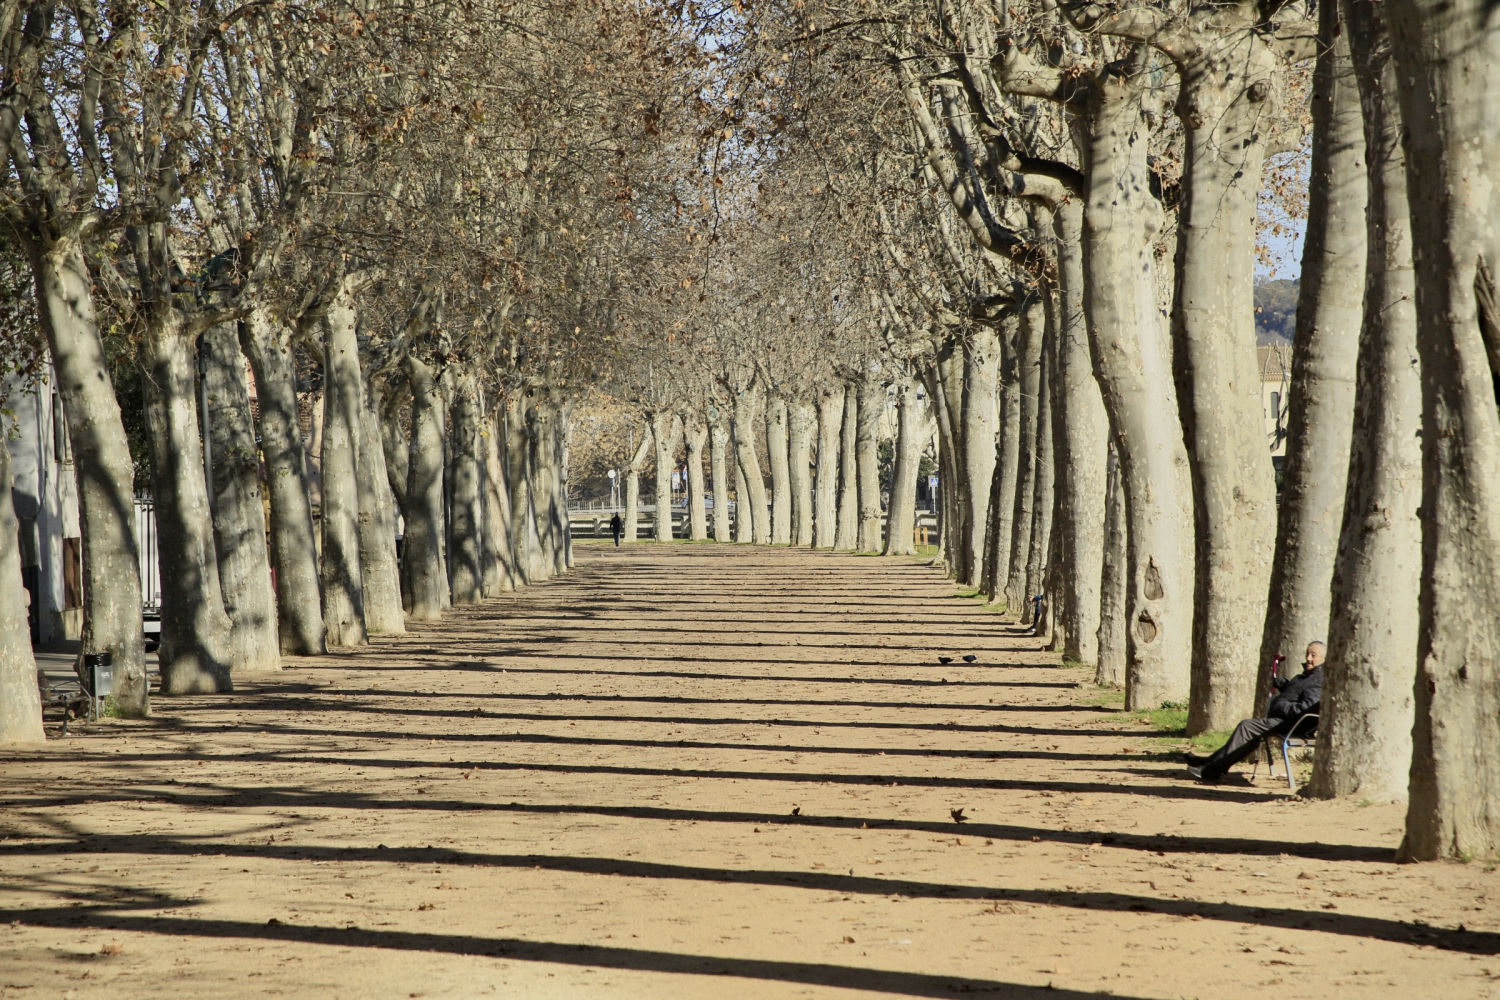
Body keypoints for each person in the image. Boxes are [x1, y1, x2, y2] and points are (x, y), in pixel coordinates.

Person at [1183, 641, 1325, 784]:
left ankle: (1212, 771)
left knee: (1247, 727)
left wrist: (1281, 704)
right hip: (1286, 721)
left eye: (1313, 655)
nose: (1308, 658)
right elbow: (1299, 693)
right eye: (1307, 654)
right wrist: (1285, 686)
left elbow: (1304, 709)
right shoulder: (1309, 675)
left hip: (1295, 724)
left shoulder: (1317, 679)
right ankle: (1210, 761)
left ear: (1323, 659)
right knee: (1251, 732)